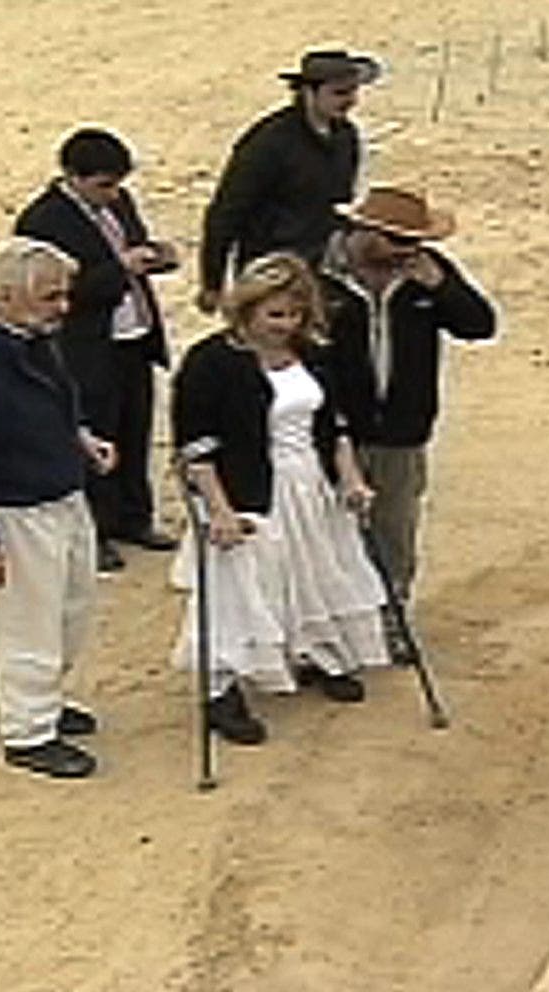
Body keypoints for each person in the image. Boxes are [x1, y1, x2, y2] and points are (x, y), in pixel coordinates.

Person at [170, 252, 389, 745]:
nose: (284, 325)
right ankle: (221, 688)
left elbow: (335, 427)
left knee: (311, 572)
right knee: (241, 590)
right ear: (245, 311)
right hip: (245, 492)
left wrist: (351, 480)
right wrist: (219, 511)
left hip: (308, 486)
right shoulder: (211, 363)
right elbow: (197, 446)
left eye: (293, 314)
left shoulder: (312, 354)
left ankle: (312, 652)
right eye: (274, 315)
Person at [0, 237, 117, 779]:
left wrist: (80, 438)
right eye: (51, 296)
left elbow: (59, 400)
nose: (63, 307)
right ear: (6, 296)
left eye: (63, 295)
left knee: (70, 612)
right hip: (14, 514)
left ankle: (42, 704)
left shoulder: (37, 343)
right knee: (24, 627)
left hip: (62, 496)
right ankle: (27, 730)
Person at [319, 184, 497, 662]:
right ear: (365, 232)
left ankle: (390, 621)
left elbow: (480, 325)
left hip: (402, 430)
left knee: (393, 534)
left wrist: (440, 286)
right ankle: (330, 629)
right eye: (400, 242)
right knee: (329, 534)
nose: (409, 253)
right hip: (333, 432)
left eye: (416, 243)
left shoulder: (427, 273)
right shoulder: (317, 274)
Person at [14, 126, 178, 574]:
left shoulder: (119, 203)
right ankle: (97, 531)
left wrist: (155, 257)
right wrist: (119, 269)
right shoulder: (43, 221)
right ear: (73, 176)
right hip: (86, 345)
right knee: (95, 435)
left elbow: (135, 244)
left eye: (116, 184)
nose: (113, 194)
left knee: (134, 427)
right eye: (103, 184)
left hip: (133, 335)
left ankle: (133, 517)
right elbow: (54, 288)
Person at [196, 48, 381, 316]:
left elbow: (341, 203)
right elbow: (227, 213)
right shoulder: (268, 143)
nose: (351, 101)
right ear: (308, 92)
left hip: (323, 268)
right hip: (271, 271)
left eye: (353, 92)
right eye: (340, 93)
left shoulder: (345, 136)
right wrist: (212, 282)